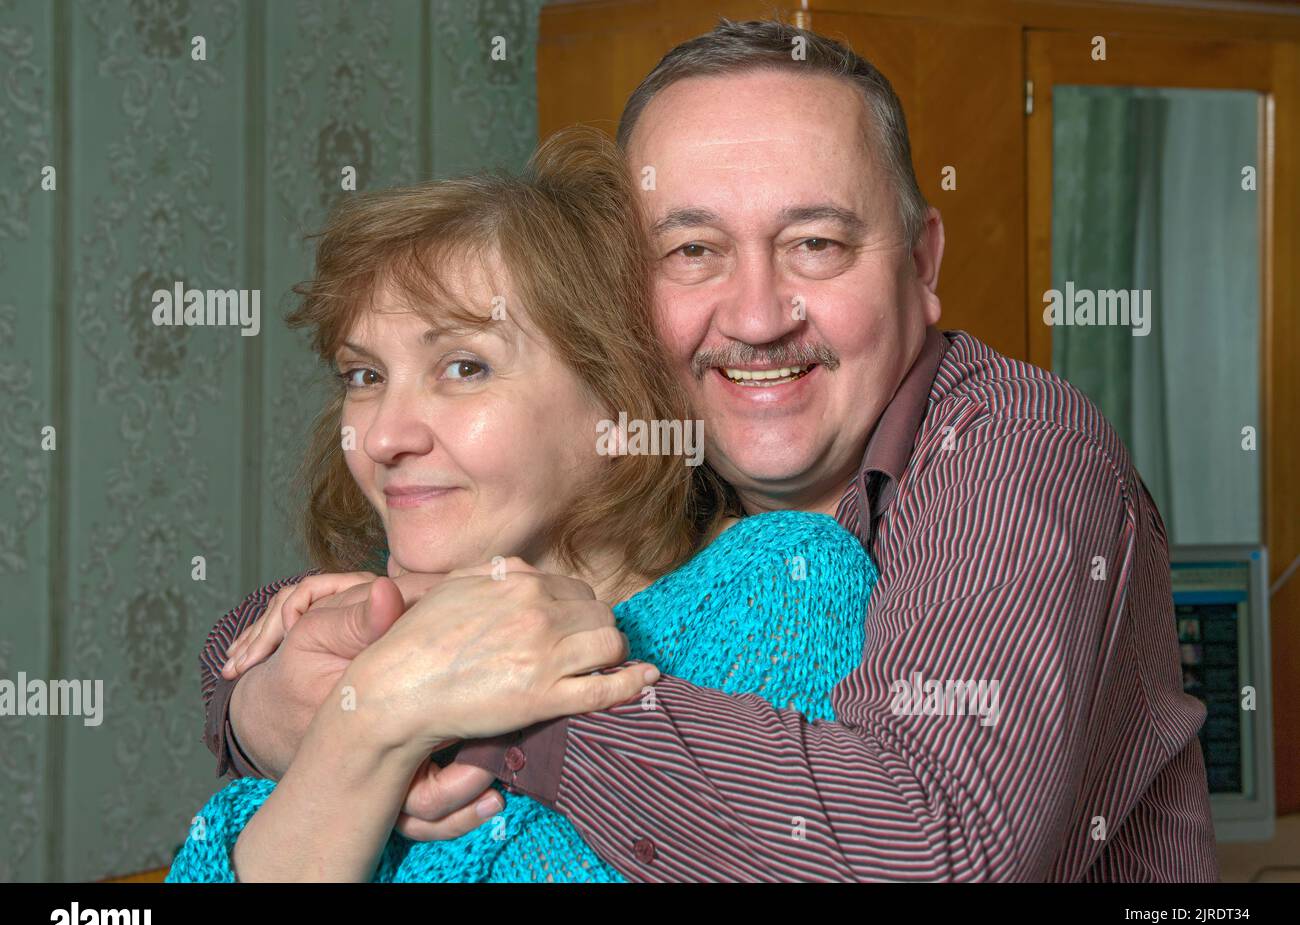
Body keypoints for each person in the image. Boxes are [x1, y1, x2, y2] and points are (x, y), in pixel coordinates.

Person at [203, 19, 1218, 881]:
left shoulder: (1014, 453)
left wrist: (472, 700)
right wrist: (288, 689)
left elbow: (935, 849)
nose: (755, 315)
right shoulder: (678, 441)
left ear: (920, 264)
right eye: (692, 251)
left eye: (814, 243)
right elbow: (317, 627)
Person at [168, 126, 878, 881]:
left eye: (464, 367)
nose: (382, 437)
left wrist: (381, 719)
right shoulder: (371, 632)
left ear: (617, 394)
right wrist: (371, 716)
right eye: (364, 376)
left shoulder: (780, 584)